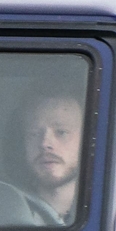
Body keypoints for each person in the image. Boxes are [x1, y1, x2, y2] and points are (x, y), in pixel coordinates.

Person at [15, 91, 85, 220]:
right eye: (34, 133)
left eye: (61, 132)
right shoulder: (7, 214)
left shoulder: (108, 211)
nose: (45, 143)